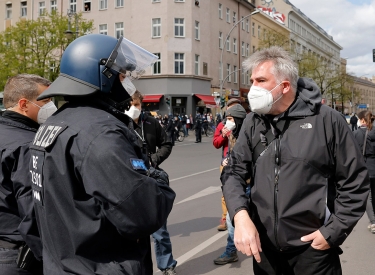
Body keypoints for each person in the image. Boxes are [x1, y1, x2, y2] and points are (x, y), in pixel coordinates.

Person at [28, 34, 176, 274]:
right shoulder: (101, 133)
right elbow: (144, 214)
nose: (127, 82)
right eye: (122, 75)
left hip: (64, 263)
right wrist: (158, 184)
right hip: (102, 265)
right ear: (102, 75)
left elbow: (33, 210)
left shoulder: (52, 124)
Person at [222, 46, 369, 275]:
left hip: (314, 252)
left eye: (261, 80)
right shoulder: (252, 122)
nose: (253, 88)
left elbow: (355, 181)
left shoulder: (328, 120)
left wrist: (333, 232)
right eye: (251, 81)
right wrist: (240, 216)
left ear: (285, 86)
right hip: (265, 252)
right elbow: (233, 173)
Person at [0, 74, 54, 274]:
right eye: (46, 100)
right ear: (24, 104)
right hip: (17, 254)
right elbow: (34, 208)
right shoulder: (27, 144)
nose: (52, 106)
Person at [125, 91, 177, 275]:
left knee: (159, 229)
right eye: (130, 104)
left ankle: (167, 265)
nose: (133, 108)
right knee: (133, 232)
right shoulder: (121, 124)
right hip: (130, 180)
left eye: (136, 105)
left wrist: (154, 159)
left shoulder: (151, 122)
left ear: (141, 104)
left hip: (151, 177)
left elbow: (166, 143)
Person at [213, 104, 247, 265]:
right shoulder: (231, 133)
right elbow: (217, 143)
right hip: (236, 181)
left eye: (231, 119)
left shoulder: (249, 134)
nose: (228, 122)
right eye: (227, 119)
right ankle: (231, 250)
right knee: (231, 220)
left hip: (251, 183)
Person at [212, 98, 242, 231]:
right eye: (230, 110)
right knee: (226, 192)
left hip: (242, 163)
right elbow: (216, 143)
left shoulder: (245, 124)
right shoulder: (222, 125)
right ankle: (225, 218)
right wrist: (224, 135)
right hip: (226, 162)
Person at [353, 110, 375, 234]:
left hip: (365, 167)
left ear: (362, 120)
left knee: (368, 197)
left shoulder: (356, 134)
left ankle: (373, 222)